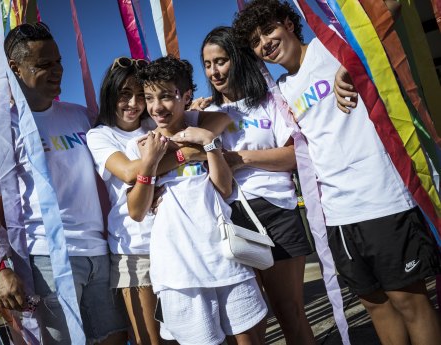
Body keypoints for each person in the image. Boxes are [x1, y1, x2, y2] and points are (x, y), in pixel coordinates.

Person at [233, 1, 441, 345]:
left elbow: (388, 9)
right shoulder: (281, 89)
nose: (265, 43)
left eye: (268, 30)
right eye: (255, 41)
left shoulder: (331, 45)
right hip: (336, 214)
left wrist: (355, 60)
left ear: (289, 22)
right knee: (375, 305)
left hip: (382, 197)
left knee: (410, 302)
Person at [0, 22, 129, 344]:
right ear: (15, 69)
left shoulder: (82, 116)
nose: (57, 72)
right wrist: (0, 268)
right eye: (43, 65)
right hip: (44, 262)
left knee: (115, 339)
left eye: (59, 62)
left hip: (101, 253)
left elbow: (130, 139)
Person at [126, 55, 268, 345]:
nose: (156, 107)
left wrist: (208, 143)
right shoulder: (141, 146)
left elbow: (224, 189)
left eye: (166, 96)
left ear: (186, 95)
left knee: (248, 340)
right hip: (178, 270)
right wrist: (150, 163)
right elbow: (137, 211)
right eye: (150, 97)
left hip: (225, 257)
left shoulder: (203, 130)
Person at [86, 57, 229, 344]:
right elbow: (128, 172)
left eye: (142, 96)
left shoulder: (155, 120)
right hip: (135, 247)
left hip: (178, 243)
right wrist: (183, 155)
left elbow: (220, 119)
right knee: (152, 340)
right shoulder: (100, 135)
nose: (134, 104)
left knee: (192, 333)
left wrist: (199, 130)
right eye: (124, 94)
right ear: (110, 94)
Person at [200, 26, 314, 345]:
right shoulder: (205, 114)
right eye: (208, 64)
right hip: (229, 219)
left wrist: (240, 158)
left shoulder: (268, 101)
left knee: (289, 311)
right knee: (248, 323)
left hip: (277, 213)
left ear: (238, 59)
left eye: (221, 61)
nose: (214, 70)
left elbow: (295, 155)